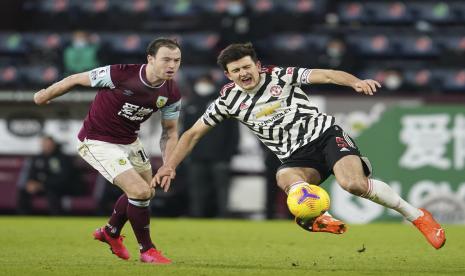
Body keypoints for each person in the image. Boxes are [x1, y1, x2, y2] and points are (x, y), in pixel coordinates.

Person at [153, 42, 446, 250]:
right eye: (235, 71)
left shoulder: (281, 76)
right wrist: (169, 165)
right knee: (285, 177)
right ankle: (316, 215)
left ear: (256, 65)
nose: (243, 74)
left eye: (246, 67)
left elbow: (327, 74)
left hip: (324, 136)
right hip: (294, 157)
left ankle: (418, 216)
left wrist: (355, 82)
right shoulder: (227, 102)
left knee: (354, 185)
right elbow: (191, 134)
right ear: (228, 75)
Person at [33, 38, 182, 264]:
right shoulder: (120, 74)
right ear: (150, 59)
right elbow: (75, 79)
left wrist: (168, 164)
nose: (172, 65)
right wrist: (45, 94)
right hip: (97, 141)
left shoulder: (171, 92)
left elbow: (170, 132)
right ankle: (147, 250)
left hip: (130, 141)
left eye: (177, 60)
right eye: (166, 59)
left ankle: (110, 232)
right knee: (140, 192)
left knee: (146, 192)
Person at [182, 74, 239, 218]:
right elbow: (185, 133)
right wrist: (187, 154)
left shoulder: (223, 103)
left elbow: (233, 132)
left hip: (220, 156)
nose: (203, 85)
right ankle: (197, 215)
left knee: (221, 190)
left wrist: (229, 154)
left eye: (205, 82)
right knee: (197, 190)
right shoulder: (191, 104)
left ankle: (223, 216)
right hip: (196, 157)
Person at [16, 135, 82, 215]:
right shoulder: (37, 158)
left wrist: (43, 185)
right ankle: (24, 218)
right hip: (42, 187)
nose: (47, 147)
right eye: (45, 145)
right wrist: (31, 183)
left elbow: (64, 178)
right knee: (23, 191)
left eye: (49, 145)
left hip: (61, 187)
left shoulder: (63, 158)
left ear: (54, 145)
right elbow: (32, 173)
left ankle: (56, 218)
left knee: (52, 192)